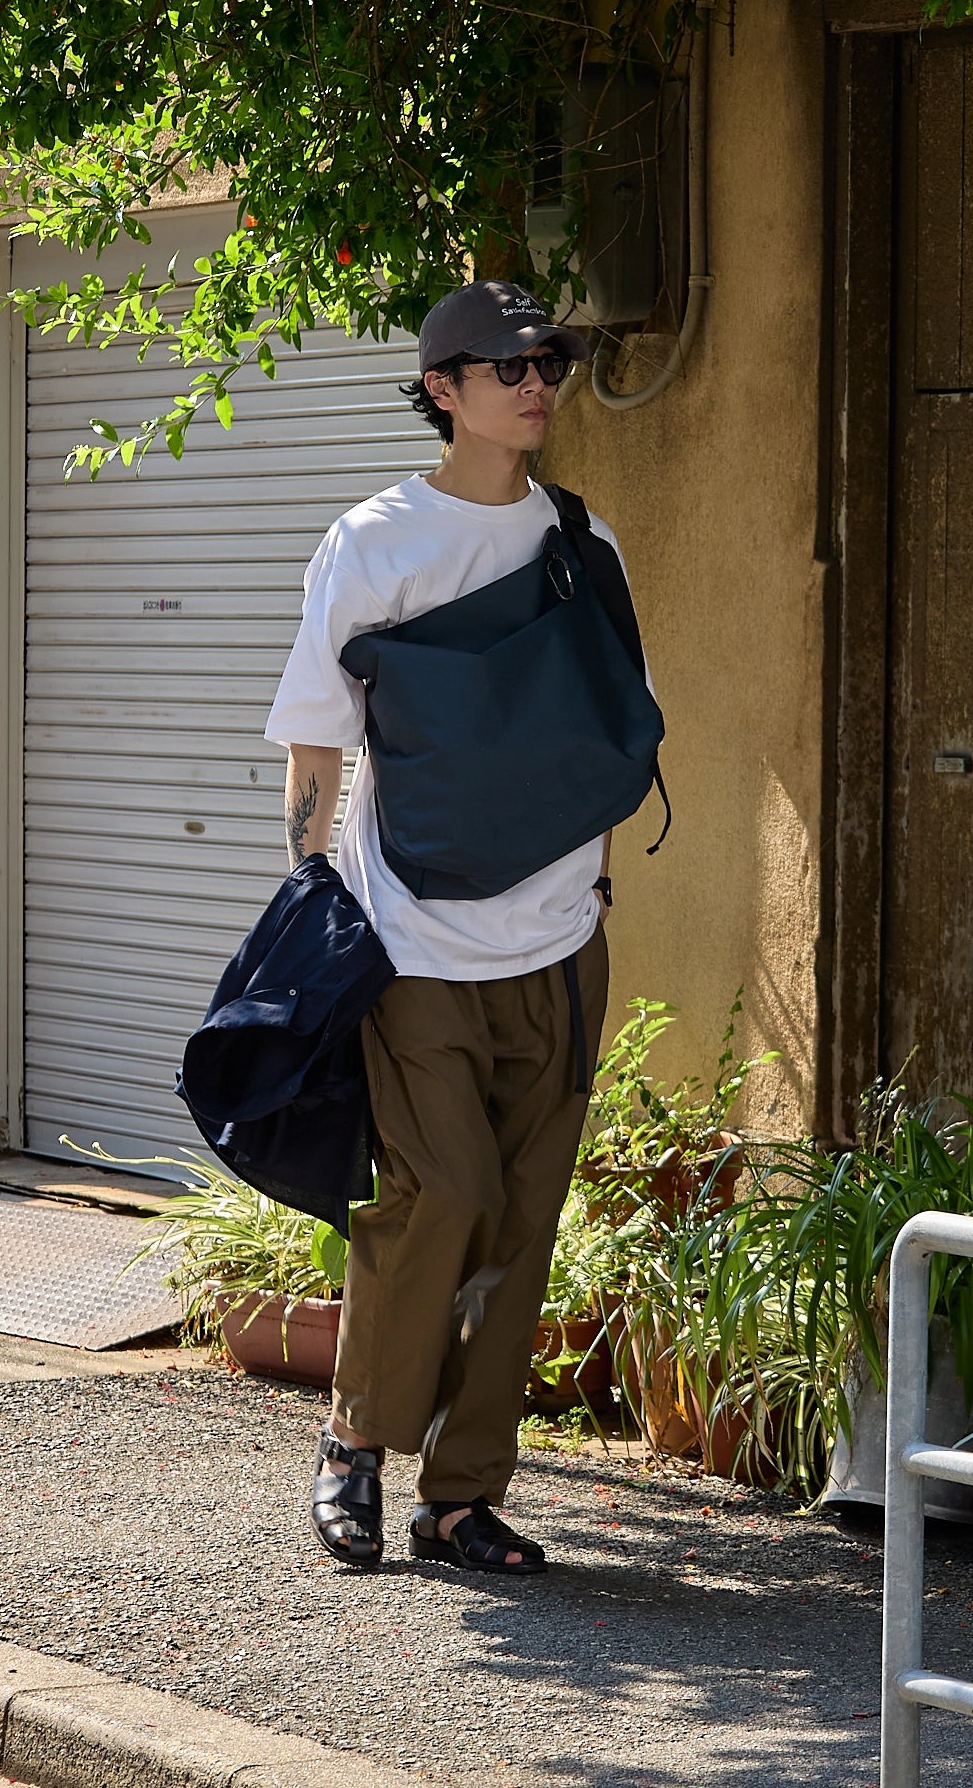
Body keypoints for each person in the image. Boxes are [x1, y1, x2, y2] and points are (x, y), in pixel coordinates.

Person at [263, 280, 653, 1574]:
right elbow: (318, 733)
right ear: (442, 388)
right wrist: (309, 893)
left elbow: (609, 734)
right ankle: (356, 1446)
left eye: (550, 358)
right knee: (443, 1198)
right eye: (505, 364)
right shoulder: (373, 543)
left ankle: (462, 1495)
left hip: (557, 940)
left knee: (526, 1221)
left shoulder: (582, 543)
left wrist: (593, 891)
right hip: (414, 940)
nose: (535, 381)